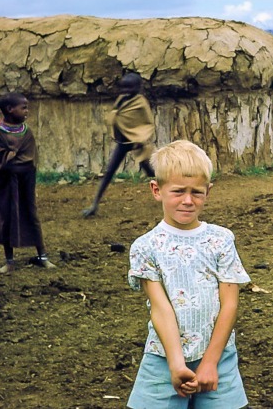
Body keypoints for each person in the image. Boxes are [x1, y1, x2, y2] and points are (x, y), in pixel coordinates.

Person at [127, 140, 249, 409]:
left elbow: (229, 304)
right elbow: (160, 309)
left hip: (220, 357)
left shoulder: (221, 240)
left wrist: (210, 363)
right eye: (178, 191)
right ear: (156, 190)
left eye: (197, 192)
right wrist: (175, 364)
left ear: (209, 191)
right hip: (163, 357)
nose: (187, 200)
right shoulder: (146, 246)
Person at [0, 93, 56, 274]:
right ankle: (9, 260)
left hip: (25, 182)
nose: (27, 111)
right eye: (23, 107)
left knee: (31, 214)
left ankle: (42, 256)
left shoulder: (27, 133)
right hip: (6, 185)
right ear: (10, 110)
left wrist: (15, 161)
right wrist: (7, 160)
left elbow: (30, 158)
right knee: (6, 217)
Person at [83, 72, 156, 218]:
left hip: (136, 142)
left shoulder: (141, 102)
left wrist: (139, 139)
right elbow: (117, 116)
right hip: (123, 142)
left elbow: (147, 124)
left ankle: (169, 191)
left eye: (130, 89)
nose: (126, 92)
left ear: (137, 88)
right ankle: (94, 205)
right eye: (124, 89)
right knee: (109, 172)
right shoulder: (121, 99)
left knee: (151, 173)